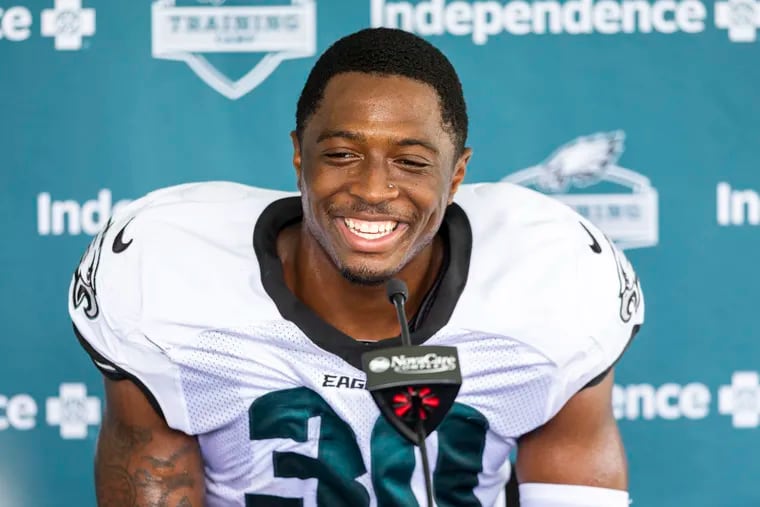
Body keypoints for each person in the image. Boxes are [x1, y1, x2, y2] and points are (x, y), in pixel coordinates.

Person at [69, 27, 644, 507]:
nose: (373, 189)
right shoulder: (171, 274)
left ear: (458, 174)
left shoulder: (553, 282)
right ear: (299, 154)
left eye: (411, 162)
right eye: (341, 154)